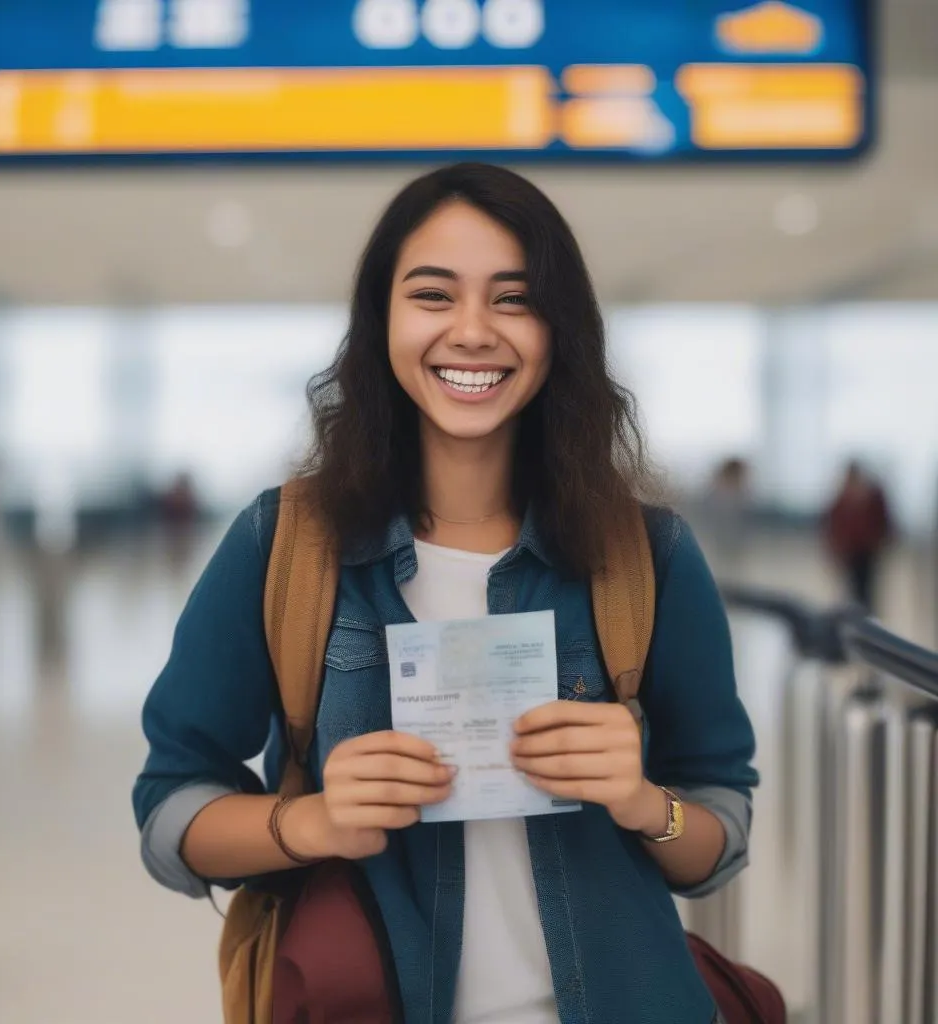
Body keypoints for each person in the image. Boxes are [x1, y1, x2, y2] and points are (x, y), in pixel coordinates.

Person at [133, 164, 757, 1024]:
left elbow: (719, 829)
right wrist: (306, 825)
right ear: (380, 321)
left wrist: (645, 802)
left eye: (514, 298)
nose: (472, 331)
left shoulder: (644, 554)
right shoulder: (285, 545)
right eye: (433, 295)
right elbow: (170, 812)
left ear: (558, 329)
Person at [823, 460, 892, 612]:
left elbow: (883, 523)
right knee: (851, 591)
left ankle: (866, 621)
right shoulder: (842, 499)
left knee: (867, 592)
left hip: (867, 552)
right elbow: (834, 526)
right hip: (849, 553)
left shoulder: (872, 496)